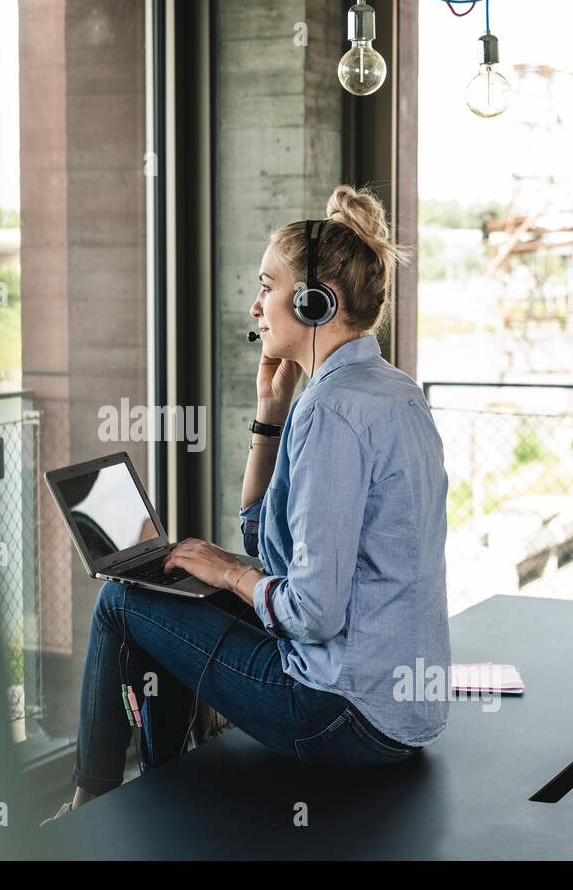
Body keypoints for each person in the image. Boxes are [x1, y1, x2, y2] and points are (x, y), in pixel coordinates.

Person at [41, 184, 451, 825]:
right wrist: (269, 417)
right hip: (403, 711)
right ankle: (162, 783)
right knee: (177, 585)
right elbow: (271, 543)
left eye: (267, 285)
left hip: (339, 714)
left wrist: (230, 573)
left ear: (317, 301)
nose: (255, 304)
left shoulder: (335, 414)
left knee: (123, 599)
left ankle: (89, 804)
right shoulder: (393, 391)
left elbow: (311, 612)